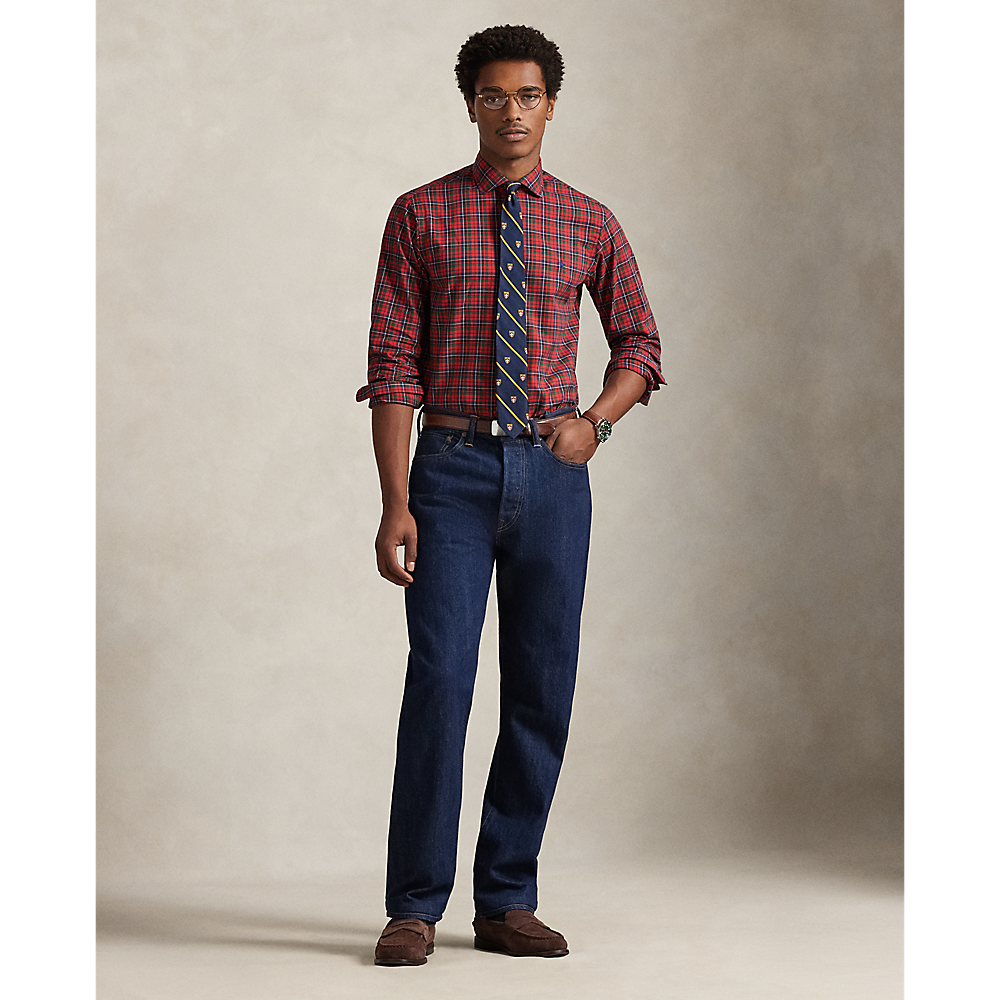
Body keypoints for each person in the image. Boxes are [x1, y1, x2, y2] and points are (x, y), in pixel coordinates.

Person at [357, 24, 663, 966]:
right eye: (494, 96)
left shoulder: (588, 220)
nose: (512, 112)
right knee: (440, 683)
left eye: (528, 96)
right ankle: (414, 906)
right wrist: (395, 500)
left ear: (551, 105)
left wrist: (595, 424)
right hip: (449, 472)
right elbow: (392, 363)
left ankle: (506, 899)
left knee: (540, 687)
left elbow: (640, 343)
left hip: (552, 478)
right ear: (471, 105)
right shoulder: (420, 214)